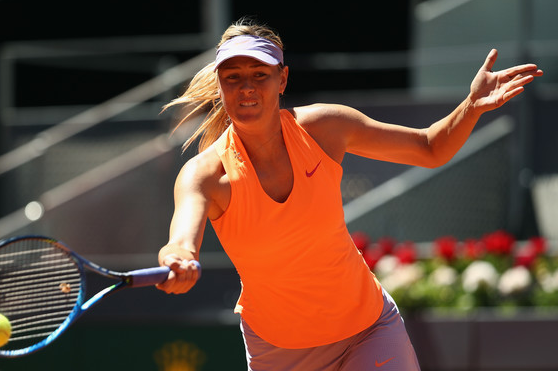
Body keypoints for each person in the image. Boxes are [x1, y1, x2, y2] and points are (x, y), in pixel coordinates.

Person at [155, 19, 543, 370]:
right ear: (221, 84)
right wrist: (178, 261)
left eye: (260, 73)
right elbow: (181, 241)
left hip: (368, 328)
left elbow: (429, 148)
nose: (247, 87)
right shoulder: (204, 175)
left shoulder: (326, 127)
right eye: (233, 76)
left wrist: (471, 107)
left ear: (283, 79)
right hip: (280, 352)